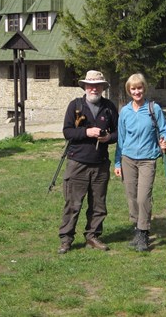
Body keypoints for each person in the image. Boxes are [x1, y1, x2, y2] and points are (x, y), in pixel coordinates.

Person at [57, 70, 118, 254]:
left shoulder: (109, 107)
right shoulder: (75, 105)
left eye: (97, 85)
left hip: (100, 163)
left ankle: (93, 235)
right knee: (73, 204)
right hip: (78, 163)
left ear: (102, 88)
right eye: (90, 85)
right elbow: (67, 132)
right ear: (84, 86)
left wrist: (108, 137)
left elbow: (118, 133)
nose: (94, 88)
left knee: (98, 204)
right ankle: (66, 239)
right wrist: (86, 132)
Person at [114, 73, 166, 252]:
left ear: (144, 89)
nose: (137, 91)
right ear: (128, 90)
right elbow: (121, 139)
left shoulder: (154, 108)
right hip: (128, 159)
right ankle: (137, 230)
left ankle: (144, 232)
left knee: (143, 197)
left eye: (139, 88)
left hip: (148, 159)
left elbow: (165, 130)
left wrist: (165, 141)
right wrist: (117, 163)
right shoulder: (124, 111)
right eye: (133, 88)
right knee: (131, 197)